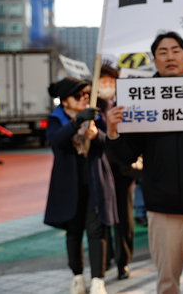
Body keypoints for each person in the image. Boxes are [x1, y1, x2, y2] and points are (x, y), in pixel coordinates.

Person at [106, 32, 183, 294]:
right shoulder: (139, 99)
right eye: (163, 52)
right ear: (154, 60)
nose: (170, 56)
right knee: (167, 282)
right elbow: (126, 156)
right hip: (162, 205)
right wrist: (113, 132)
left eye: (176, 50)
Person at [45, 78, 117, 294]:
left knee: (97, 230)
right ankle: (77, 276)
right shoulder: (56, 118)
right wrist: (76, 122)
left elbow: (109, 143)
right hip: (69, 186)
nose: (84, 98)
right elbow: (56, 141)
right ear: (65, 101)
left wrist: (96, 135)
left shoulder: (95, 116)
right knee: (74, 231)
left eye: (86, 94)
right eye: (78, 95)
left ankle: (98, 279)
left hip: (95, 183)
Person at [97, 64, 138, 280]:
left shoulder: (130, 102)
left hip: (123, 169)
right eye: (103, 82)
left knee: (124, 216)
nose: (108, 86)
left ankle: (123, 262)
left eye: (111, 82)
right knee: (102, 215)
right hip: (100, 169)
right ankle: (105, 258)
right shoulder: (92, 106)